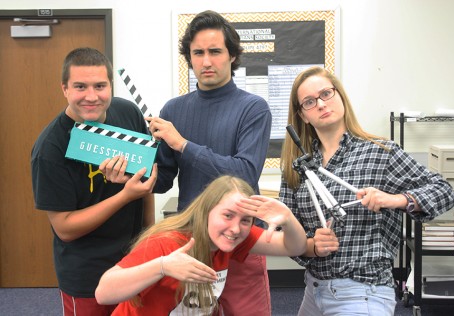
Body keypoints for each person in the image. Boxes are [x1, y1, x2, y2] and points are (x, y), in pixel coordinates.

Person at [279, 66, 454, 316]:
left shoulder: (381, 152)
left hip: (364, 293)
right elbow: (285, 232)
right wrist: (311, 246)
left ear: (340, 96)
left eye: (326, 94)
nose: (320, 104)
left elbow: (444, 191)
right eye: (309, 101)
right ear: (303, 115)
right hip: (313, 291)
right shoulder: (298, 166)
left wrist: (394, 199)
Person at [147, 10, 273, 315]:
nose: (206, 61)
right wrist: (132, 165)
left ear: (232, 56)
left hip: (240, 239)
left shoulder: (253, 108)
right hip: (191, 241)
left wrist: (183, 145)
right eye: (198, 53)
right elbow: (162, 179)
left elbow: (244, 173)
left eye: (215, 52)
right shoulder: (173, 109)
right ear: (189, 58)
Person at [31, 47, 158, 316]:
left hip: (134, 261)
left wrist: (149, 237)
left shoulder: (128, 114)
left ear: (111, 85)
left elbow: (145, 176)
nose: (91, 96)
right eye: (80, 86)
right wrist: (124, 195)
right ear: (64, 88)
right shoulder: (50, 149)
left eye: (100, 86)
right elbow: (64, 228)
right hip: (87, 275)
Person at [95, 175, 307, 315]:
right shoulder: (167, 243)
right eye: (227, 215)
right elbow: (103, 293)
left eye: (245, 220)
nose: (235, 228)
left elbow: (294, 247)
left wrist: (288, 219)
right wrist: (162, 266)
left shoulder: (232, 238)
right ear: (206, 212)